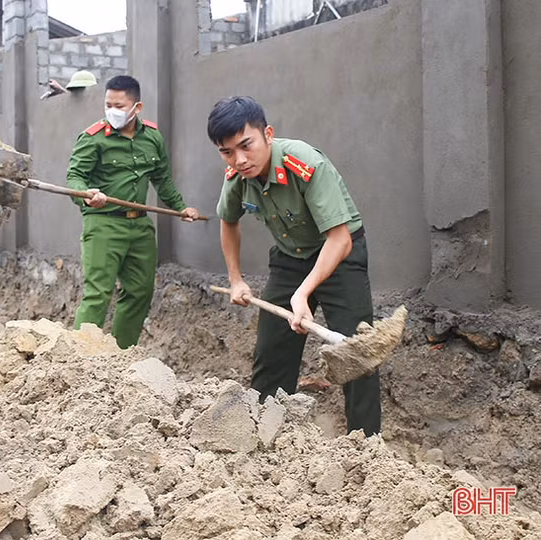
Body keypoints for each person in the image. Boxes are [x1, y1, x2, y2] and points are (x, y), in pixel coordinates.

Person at [208, 96, 380, 436]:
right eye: (227, 152)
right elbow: (228, 221)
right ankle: (265, 435)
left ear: (268, 134)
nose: (239, 159)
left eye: (246, 145)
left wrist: (302, 294)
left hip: (339, 255)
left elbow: (339, 239)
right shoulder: (237, 176)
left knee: (356, 352)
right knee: (271, 351)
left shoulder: (305, 163)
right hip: (290, 257)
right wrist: (236, 279)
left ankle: (366, 446)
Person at [66, 75, 200, 349]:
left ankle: (120, 353)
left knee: (140, 291)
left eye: (119, 106)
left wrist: (180, 207)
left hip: (140, 228)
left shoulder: (152, 137)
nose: (112, 111)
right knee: (98, 294)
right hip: (103, 224)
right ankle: (78, 358)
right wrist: (86, 195)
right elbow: (75, 177)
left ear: (137, 107)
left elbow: (162, 179)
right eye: (108, 105)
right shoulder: (92, 138)